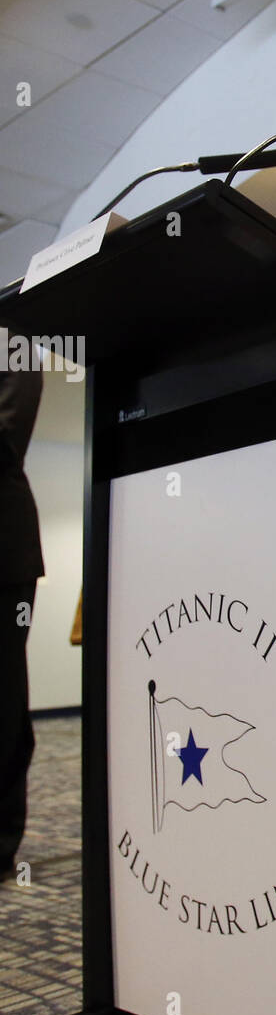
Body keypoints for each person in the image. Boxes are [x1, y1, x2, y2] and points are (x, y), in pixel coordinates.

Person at [0, 358, 44, 880]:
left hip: (3, 555)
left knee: (2, 700)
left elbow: (6, 438)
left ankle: (1, 841)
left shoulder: (12, 341)